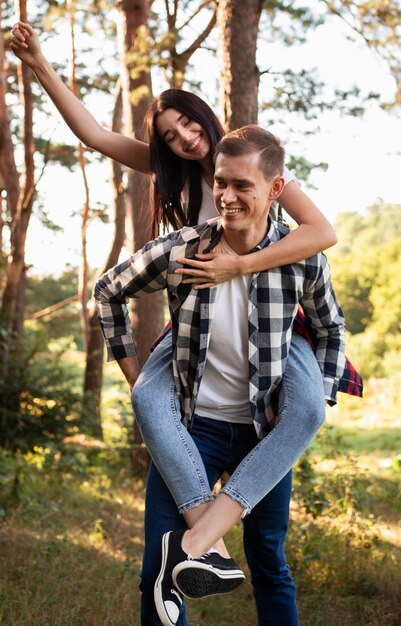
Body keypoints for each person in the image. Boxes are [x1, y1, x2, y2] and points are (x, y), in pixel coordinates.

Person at [10, 24, 362, 626]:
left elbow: (320, 234)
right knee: (150, 393)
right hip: (198, 322)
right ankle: (202, 542)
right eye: (172, 137)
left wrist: (239, 265)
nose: (187, 140)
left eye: (192, 126)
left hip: (277, 316)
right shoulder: (179, 199)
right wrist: (40, 63)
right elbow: (93, 134)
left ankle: (198, 545)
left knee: (305, 408)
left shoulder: (253, 162)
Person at [94, 126, 347, 626]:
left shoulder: (300, 260)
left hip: (265, 433)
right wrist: (137, 376)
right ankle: (192, 549)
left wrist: (309, 399)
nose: (227, 197)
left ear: (276, 190)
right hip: (192, 431)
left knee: (271, 566)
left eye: (242, 186)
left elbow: (330, 327)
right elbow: (108, 293)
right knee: (154, 575)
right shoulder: (183, 250)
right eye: (221, 184)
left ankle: (193, 546)